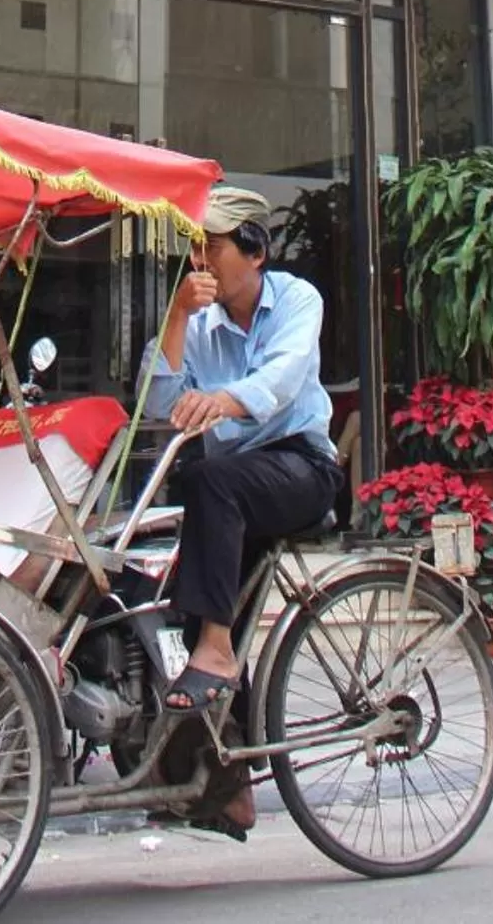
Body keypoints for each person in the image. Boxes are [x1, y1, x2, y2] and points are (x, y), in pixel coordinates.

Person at [144, 185, 340, 743]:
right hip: (234, 487)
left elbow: (280, 379)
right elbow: (157, 405)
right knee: (186, 595)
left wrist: (223, 401)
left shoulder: (298, 300)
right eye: (195, 248)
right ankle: (223, 783)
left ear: (254, 253)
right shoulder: (201, 325)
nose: (200, 260)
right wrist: (177, 316)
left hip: (301, 467)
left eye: (213, 246)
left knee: (210, 479)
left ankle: (216, 649)